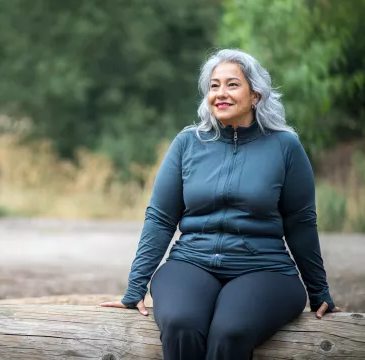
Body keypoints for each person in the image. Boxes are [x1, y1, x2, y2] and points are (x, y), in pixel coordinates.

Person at [100, 48, 342, 360]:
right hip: (191, 262)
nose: (220, 94)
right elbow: (160, 219)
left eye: (232, 84)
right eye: (214, 86)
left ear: (256, 95)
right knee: (181, 323)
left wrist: (319, 290)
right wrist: (135, 288)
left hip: (264, 268)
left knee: (230, 331)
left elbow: (301, 223)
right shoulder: (188, 143)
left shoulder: (285, 147)